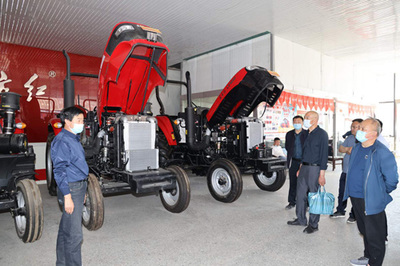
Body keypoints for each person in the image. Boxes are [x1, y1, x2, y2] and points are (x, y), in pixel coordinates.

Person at [344, 118, 398, 266]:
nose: (358, 130)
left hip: (371, 199)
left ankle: (375, 263)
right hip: (356, 197)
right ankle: (368, 257)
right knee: (365, 230)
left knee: (375, 235)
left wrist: (379, 193)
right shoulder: (356, 148)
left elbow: (392, 180)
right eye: (358, 127)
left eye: (362, 128)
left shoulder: (381, 152)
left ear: (373, 134)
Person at [51, 106, 89, 266]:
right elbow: (59, 171)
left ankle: (61, 263)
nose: (82, 123)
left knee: (65, 230)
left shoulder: (73, 138)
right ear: (67, 121)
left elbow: (76, 166)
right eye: (78, 120)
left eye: (82, 120)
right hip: (71, 189)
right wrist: (68, 197)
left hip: (78, 188)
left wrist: (84, 190)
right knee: (75, 236)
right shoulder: (62, 141)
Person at [287, 111, 329, 234]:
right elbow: (304, 153)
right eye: (305, 117)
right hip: (304, 167)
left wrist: (322, 175)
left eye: (307, 117)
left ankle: (313, 224)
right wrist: (300, 168)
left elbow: (324, 156)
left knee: (314, 197)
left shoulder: (322, 134)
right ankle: (300, 219)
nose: (305, 119)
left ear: (315, 119)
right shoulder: (307, 134)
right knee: (300, 195)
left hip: (315, 169)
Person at [330, 118, 362, 223]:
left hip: (356, 173)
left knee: (355, 194)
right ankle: (340, 210)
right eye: (351, 127)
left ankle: (354, 215)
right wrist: (348, 149)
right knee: (342, 192)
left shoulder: (364, 139)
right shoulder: (350, 138)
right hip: (345, 170)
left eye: (354, 127)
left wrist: (349, 149)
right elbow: (341, 149)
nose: (352, 129)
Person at [284, 115, 308, 210]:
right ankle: (291, 202)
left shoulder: (307, 134)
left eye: (299, 122)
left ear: (302, 123)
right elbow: (287, 146)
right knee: (293, 182)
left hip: (305, 162)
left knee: (305, 183)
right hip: (293, 161)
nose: (297, 123)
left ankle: (306, 203)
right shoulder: (289, 134)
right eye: (295, 122)